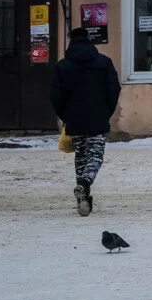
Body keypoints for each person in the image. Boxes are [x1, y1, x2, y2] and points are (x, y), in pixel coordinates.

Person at [50, 27, 121, 217]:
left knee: (81, 157)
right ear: (89, 40)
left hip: (75, 119)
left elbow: (56, 96)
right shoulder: (103, 63)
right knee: (95, 156)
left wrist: (66, 116)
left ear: (70, 42)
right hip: (97, 117)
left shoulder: (62, 66)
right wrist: (106, 112)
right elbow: (114, 90)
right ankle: (84, 184)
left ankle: (84, 200)